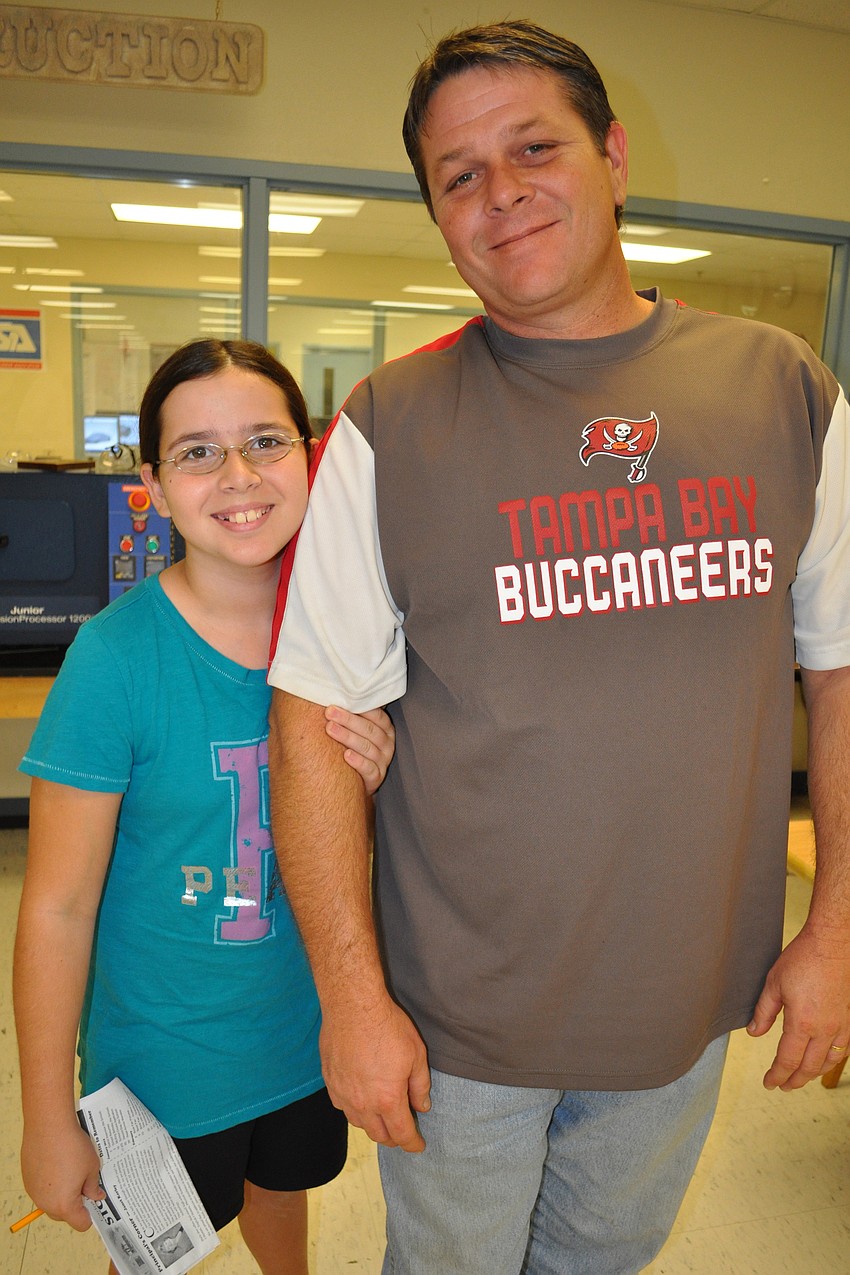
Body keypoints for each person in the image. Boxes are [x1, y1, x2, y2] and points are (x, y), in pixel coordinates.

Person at [266, 20, 850, 1275]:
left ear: (615, 155)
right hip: (458, 1021)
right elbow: (310, 725)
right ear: (435, 213)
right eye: (457, 176)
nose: (500, 193)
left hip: (685, 1008)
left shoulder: (783, 391)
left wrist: (838, 930)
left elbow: (841, 673)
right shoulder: (389, 425)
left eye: (533, 147)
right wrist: (352, 1002)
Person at [13, 339, 396, 1275]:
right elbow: (55, 909)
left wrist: (382, 775)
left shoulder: (351, 635)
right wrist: (44, 1120)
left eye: (265, 441)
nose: (238, 475)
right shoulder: (114, 659)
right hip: (161, 1068)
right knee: (152, 1255)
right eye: (197, 451)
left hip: (302, 1036)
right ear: (150, 483)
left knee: (281, 1189)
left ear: (309, 455)